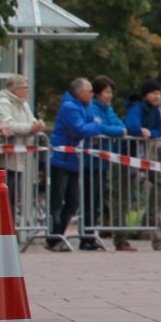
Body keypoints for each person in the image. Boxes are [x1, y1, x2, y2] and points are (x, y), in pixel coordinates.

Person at [47, 77, 105, 250]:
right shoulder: (69, 107)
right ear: (80, 93)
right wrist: (95, 125)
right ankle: (53, 238)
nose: (93, 94)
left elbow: (86, 128)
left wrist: (92, 127)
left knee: (73, 202)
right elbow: (80, 129)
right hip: (61, 159)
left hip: (74, 160)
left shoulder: (86, 107)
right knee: (57, 201)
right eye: (90, 91)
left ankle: (57, 235)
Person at [122, 79, 161, 251]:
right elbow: (131, 126)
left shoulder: (155, 111)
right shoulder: (136, 108)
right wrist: (141, 131)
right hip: (127, 156)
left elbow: (160, 130)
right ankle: (119, 237)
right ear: (145, 95)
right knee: (124, 194)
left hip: (144, 157)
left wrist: (150, 132)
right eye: (153, 93)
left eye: (159, 93)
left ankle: (151, 216)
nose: (157, 96)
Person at [85, 76, 131, 250]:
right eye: (106, 92)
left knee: (98, 200)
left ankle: (91, 235)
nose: (110, 95)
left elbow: (119, 125)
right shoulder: (92, 108)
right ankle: (86, 236)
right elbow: (102, 128)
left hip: (104, 161)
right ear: (97, 94)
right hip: (91, 161)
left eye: (111, 92)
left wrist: (117, 130)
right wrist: (118, 131)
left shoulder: (108, 109)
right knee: (90, 199)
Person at [0, 75, 46, 229]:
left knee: (12, 199)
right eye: (25, 87)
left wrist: (36, 126)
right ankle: (4, 232)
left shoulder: (23, 104)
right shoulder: (3, 102)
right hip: (5, 160)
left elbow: (31, 122)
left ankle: (9, 232)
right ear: (15, 89)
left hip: (18, 159)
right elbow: (8, 125)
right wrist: (31, 128)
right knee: (5, 199)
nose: (28, 91)